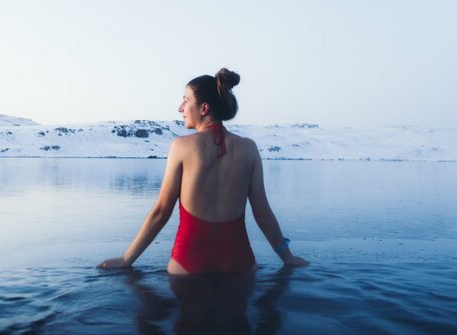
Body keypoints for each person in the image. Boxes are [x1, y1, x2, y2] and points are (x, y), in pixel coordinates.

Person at [98, 68, 309, 274]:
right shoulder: (249, 148)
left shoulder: (181, 146)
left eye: (186, 100)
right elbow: (263, 215)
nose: (180, 108)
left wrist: (126, 259)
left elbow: (161, 212)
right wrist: (288, 258)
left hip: (188, 263)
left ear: (204, 108)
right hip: (239, 263)